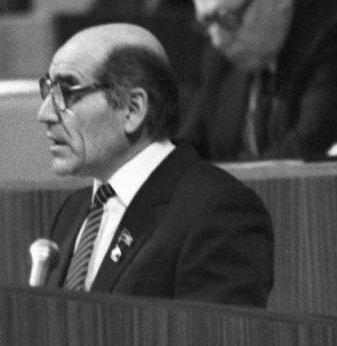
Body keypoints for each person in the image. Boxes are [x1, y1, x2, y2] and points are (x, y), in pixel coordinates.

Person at [38, 23, 274, 306]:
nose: (45, 113)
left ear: (133, 109)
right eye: (48, 90)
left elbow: (219, 334)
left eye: (66, 92)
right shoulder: (73, 210)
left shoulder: (217, 209)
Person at [177, 0, 337, 161]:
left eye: (227, 19)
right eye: (207, 22)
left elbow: (307, 147)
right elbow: (189, 145)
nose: (217, 40)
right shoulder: (222, 55)